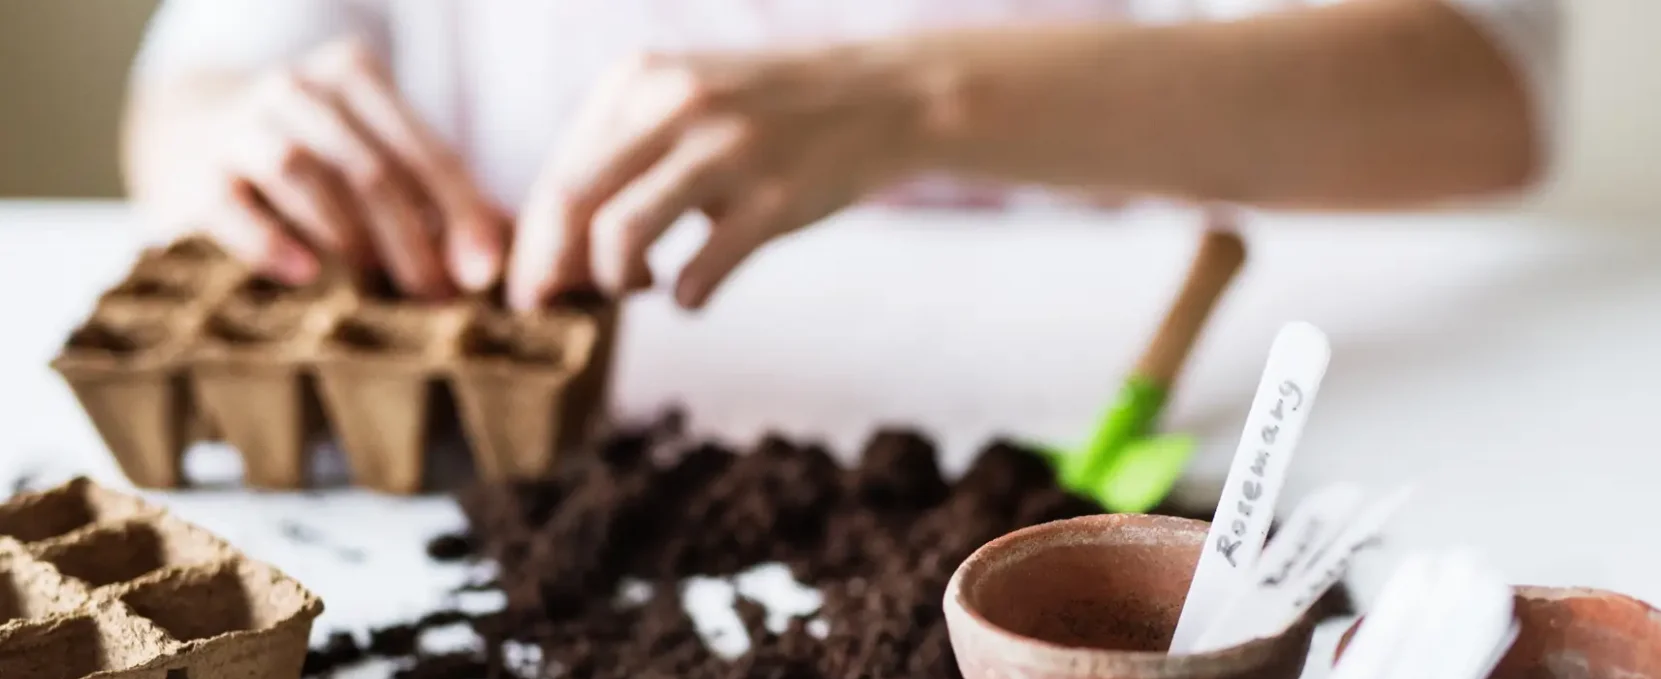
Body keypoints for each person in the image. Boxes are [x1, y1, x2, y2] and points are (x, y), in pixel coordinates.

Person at [124, 0, 1560, 313]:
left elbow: (1470, 86)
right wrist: (237, 147)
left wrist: (915, 97)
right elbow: (188, 99)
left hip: (1054, 417)